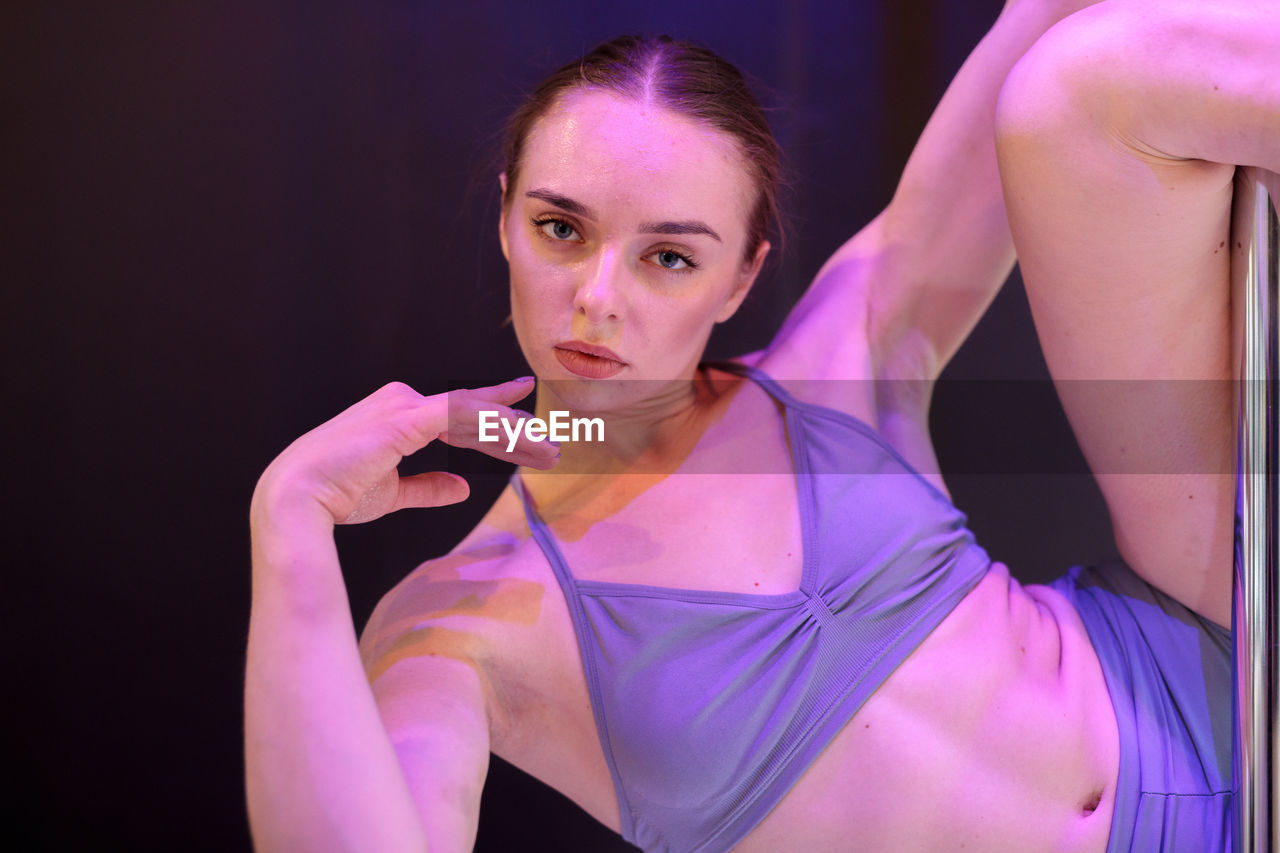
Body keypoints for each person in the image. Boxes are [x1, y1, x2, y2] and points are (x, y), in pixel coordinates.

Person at [243, 0, 1274, 849]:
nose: (598, 296)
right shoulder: (458, 623)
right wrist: (287, 521)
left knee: (1087, 80)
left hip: (1220, 689)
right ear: (507, 215)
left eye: (668, 256)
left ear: (741, 273)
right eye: (562, 229)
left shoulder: (841, 361)